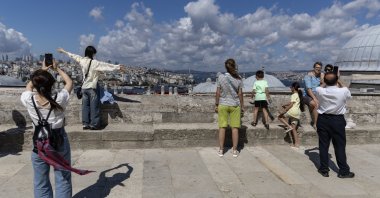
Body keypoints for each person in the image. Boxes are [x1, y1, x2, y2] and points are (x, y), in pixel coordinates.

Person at [21, 60, 74, 197]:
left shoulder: (28, 99)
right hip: (58, 140)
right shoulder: (59, 98)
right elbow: (69, 83)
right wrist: (57, 69)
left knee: (40, 180)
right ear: (52, 85)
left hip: (39, 143)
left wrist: (42, 71)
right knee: (63, 178)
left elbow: (29, 86)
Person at [57, 46, 125, 130]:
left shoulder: (82, 60)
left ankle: (85, 124)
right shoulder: (94, 63)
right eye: (94, 54)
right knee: (94, 107)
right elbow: (106, 66)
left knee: (85, 107)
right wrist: (118, 67)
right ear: (92, 53)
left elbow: (73, 56)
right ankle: (94, 124)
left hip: (84, 88)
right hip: (92, 88)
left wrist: (63, 51)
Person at [315, 72, 354, 178]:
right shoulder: (344, 91)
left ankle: (324, 169)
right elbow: (347, 92)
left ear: (325, 81)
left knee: (323, 145)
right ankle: (343, 171)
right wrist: (338, 80)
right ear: (337, 81)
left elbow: (320, 87)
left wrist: (324, 81)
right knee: (340, 146)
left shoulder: (320, 90)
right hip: (337, 120)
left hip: (323, 119)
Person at [215, 58, 244, 157]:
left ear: (225, 67)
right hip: (235, 105)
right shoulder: (239, 78)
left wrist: (216, 104)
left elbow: (218, 92)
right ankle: (235, 150)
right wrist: (242, 105)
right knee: (235, 128)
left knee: (222, 127)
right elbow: (240, 94)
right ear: (234, 66)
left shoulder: (220, 77)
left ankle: (221, 150)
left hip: (223, 104)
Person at [278, 82, 305, 148]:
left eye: (291, 87)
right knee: (294, 129)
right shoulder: (298, 94)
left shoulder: (293, 95)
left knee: (279, 117)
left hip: (293, 111)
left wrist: (284, 111)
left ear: (293, 88)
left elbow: (291, 105)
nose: (290, 88)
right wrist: (285, 104)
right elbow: (292, 102)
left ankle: (288, 126)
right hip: (297, 113)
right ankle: (296, 144)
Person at [303, 62, 324, 129]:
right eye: (317, 67)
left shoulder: (320, 76)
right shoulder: (308, 76)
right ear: (314, 68)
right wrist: (314, 98)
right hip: (307, 95)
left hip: (317, 95)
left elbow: (323, 86)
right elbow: (309, 90)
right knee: (315, 104)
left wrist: (322, 79)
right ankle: (315, 124)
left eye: (319, 68)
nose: (318, 69)